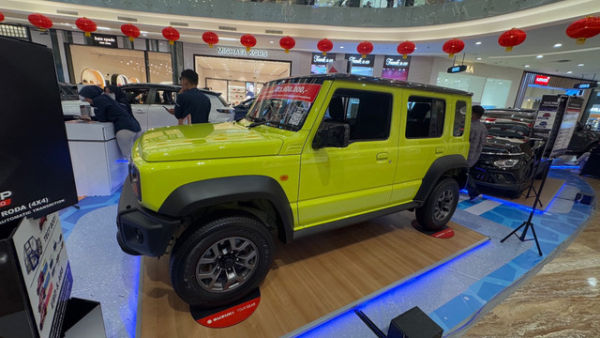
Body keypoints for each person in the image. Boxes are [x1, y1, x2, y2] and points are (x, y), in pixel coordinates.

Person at [79, 85, 142, 158]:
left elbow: (102, 118)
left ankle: (132, 169)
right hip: (135, 127)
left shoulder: (98, 100)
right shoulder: (106, 98)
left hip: (124, 129)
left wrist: (91, 117)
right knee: (137, 155)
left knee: (128, 156)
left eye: (86, 98)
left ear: (89, 96)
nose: (86, 101)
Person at [466, 105, 488, 200]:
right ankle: (474, 192)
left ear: (474, 114)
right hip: (476, 154)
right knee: (466, 172)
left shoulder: (469, 126)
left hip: (467, 154)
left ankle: (474, 192)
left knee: (465, 173)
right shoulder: (483, 127)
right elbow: (484, 142)